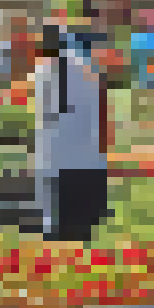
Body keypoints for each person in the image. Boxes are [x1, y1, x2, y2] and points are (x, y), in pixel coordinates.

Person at [32, 25, 111, 242]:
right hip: (79, 146)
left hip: (57, 144)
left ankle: (55, 229)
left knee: (53, 188)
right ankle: (75, 228)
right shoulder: (85, 69)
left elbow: (45, 109)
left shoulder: (45, 70)